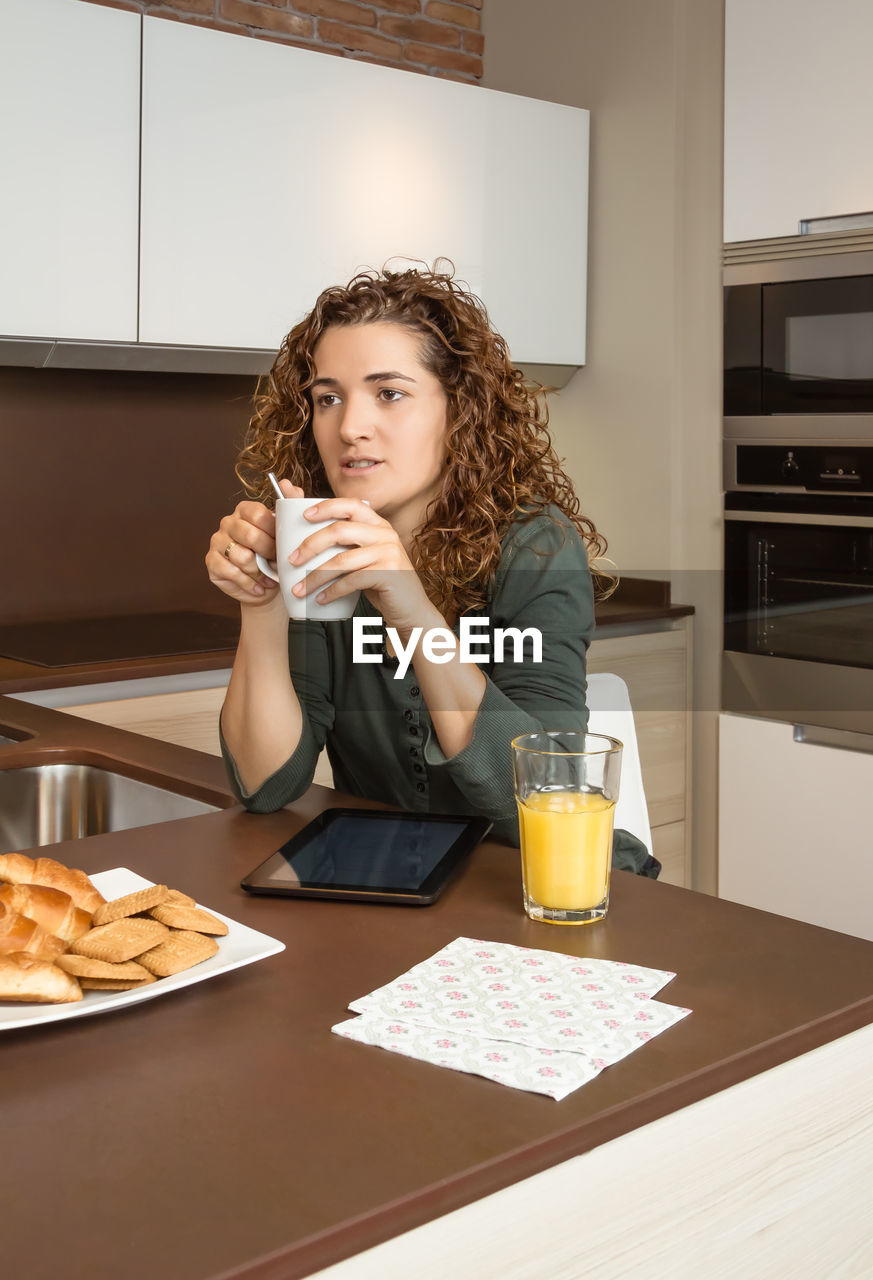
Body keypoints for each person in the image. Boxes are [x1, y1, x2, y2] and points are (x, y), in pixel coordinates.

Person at [207, 264, 649, 865]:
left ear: (458, 411)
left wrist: (411, 610)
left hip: (550, 884)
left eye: (389, 393)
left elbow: (552, 788)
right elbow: (267, 787)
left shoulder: (536, 546)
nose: (350, 427)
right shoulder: (320, 547)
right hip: (398, 886)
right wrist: (261, 607)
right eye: (328, 398)